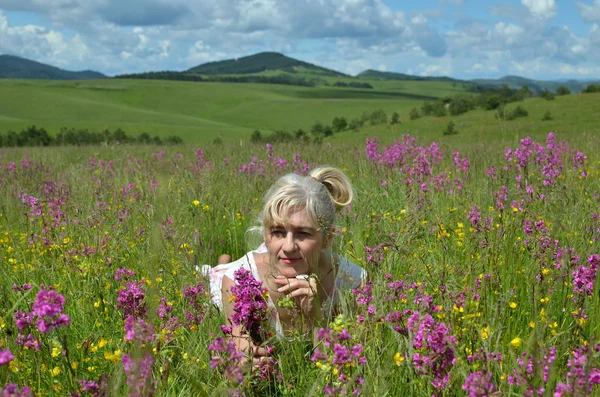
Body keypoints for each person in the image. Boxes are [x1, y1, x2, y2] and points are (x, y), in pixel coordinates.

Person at [202, 166, 366, 364]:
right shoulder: (238, 278)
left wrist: (314, 316)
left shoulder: (353, 282)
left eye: (303, 233)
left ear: (327, 238)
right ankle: (221, 262)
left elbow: (345, 360)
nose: (288, 246)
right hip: (232, 274)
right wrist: (246, 361)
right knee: (214, 274)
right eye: (278, 232)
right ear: (265, 234)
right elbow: (240, 345)